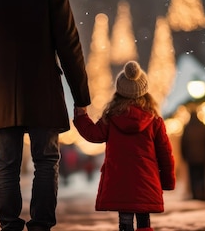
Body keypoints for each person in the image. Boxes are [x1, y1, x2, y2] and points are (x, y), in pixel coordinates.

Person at [0, 0, 91, 230]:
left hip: (0, 92)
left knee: (6, 165)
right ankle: (41, 225)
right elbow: (68, 42)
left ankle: (9, 225)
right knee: (45, 161)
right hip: (42, 88)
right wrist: (81, 97)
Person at [73, 61, 175, 231]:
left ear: (119, 92)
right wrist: (167, 181)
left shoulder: (112, 118)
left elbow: (93, 134)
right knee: (144, 221)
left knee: (125, 221)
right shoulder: (154, 121)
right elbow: (165, 154)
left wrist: (81, 115)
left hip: (120, 180)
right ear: (144, 92)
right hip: (146, 181)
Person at [180, 108, 205, 201]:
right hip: (203, 157)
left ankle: (195, 194)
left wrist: (184, 155)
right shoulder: (203, 126)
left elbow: (183, 143)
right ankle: (203, 193)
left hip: (191, 158)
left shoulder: (187, 128)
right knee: (203, 175)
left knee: (193, 176)